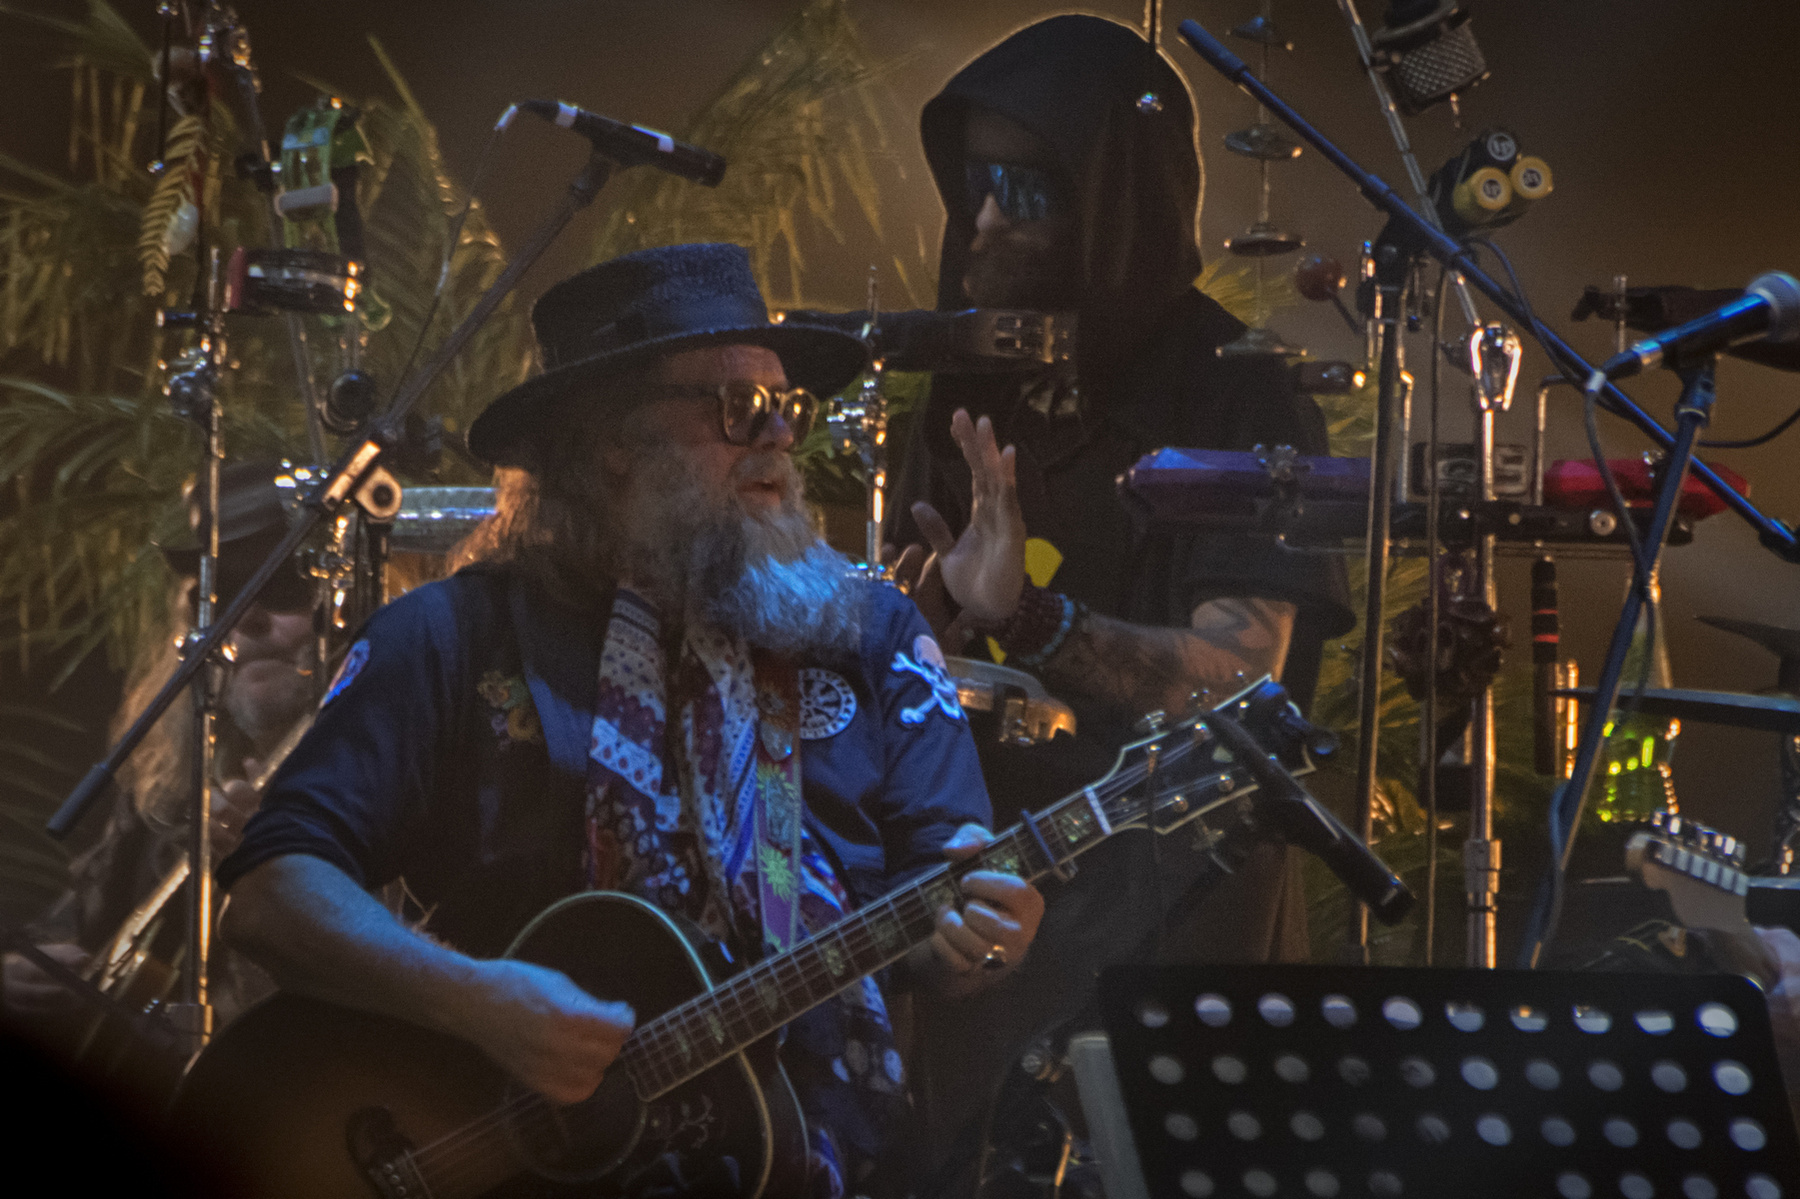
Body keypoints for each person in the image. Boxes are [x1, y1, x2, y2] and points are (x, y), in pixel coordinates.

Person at [213, 243, 1045, 1197]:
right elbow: (272, 893)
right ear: (612, 442)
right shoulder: (453, 636)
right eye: (740, 407)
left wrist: (988, 930)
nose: (780, 435)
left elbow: (953, 915)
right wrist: (477, 1001)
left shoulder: (870, 635)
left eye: (787, 407)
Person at [878, 15, 1356, 1188]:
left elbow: (1240, 680)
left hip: (1174, 909)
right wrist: (913, 636)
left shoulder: (1239, 395)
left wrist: (1034, 621)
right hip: (983, 906)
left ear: (1113, 202)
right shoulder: (957, 382)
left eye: (1022, 190)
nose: (983, 221)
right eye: (970, 185)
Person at [3, 461, 318, 1040]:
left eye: (282, 588)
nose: (248, 618)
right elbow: (81, 917)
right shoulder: (172, 784)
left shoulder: (399, 768)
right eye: (220, 597)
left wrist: (282, 875)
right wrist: (18, 973)